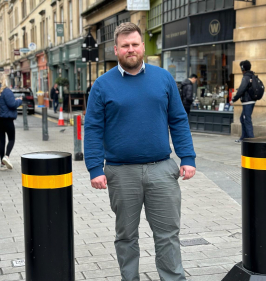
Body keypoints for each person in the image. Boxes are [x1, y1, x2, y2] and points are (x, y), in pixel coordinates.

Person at [84, 22, 196, 281]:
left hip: (161, 170)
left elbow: (178, 119)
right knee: (126, 236)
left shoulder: (163, 78)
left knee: (168, 234)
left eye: (135, 44)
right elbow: (92, 128)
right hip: (120, 173)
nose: (131, 49)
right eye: (125, 46)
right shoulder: (102, 85)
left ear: (143, 46)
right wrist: (94, 167)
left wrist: (187, 157)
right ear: (116, 49)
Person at [0, 72, 22, 170]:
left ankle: (2, 164)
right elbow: (12, 104)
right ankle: (6, 156)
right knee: (11, 139)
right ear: (3, 80)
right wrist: (19, 100)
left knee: (2, 141)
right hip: (7, 120)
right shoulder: (6, 91)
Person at [230, 60, 255, 144]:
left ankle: (251, 140)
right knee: (242, 118)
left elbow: (241, 89)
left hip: (247, 101)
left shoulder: (246, 77)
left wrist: (234, 99)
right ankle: (243, 137)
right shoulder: (252, 75)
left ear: (242, 68)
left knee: (247, 119)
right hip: (251, 101)